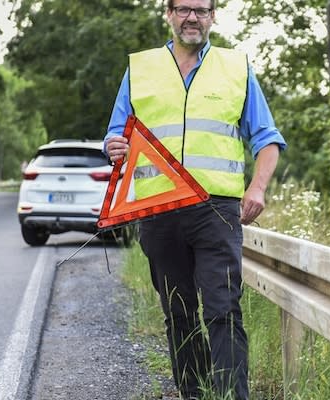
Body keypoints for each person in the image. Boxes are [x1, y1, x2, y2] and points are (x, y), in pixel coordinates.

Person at [104, 0, 286, 398]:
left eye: (201, 10)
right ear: (168, 14)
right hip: (159, 210)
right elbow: (116, 133)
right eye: (184, 9)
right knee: (178, 313)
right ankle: (195, 393)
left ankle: (231, 395)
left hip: (216, 211)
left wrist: (257, 188)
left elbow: (268, 138)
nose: (192, 17)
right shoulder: (141, 68)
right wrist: (113, 146)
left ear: (213, 17)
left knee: (223, 309)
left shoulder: (236, 67)